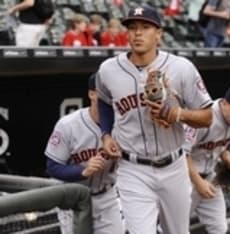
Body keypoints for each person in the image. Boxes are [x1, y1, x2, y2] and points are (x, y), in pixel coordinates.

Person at [95, 5, 213, 234]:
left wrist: (178, 114)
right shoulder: (108, 70)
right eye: (132, 27)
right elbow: (104, 101)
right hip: (132, 168)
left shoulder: (181, 68)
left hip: (174, 166)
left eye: (145, 27)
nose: (137, 33)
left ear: (159, 34)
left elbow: (207, 117)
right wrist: (106, 134)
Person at [44, 74, 125, 234]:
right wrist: (82, 171)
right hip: (74, 200)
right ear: (91, 94)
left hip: (107, 198)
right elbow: (52, 167)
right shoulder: (68, 125)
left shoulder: (123, 125)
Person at [184, 84, 230, 233]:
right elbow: (181, 153)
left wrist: (229, 160)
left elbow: (219, 146)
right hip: (185, 180)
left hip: (210, 177)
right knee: (174, 229)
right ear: (224, 103)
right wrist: (198, 182)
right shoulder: (203, 117)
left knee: (219, 228)